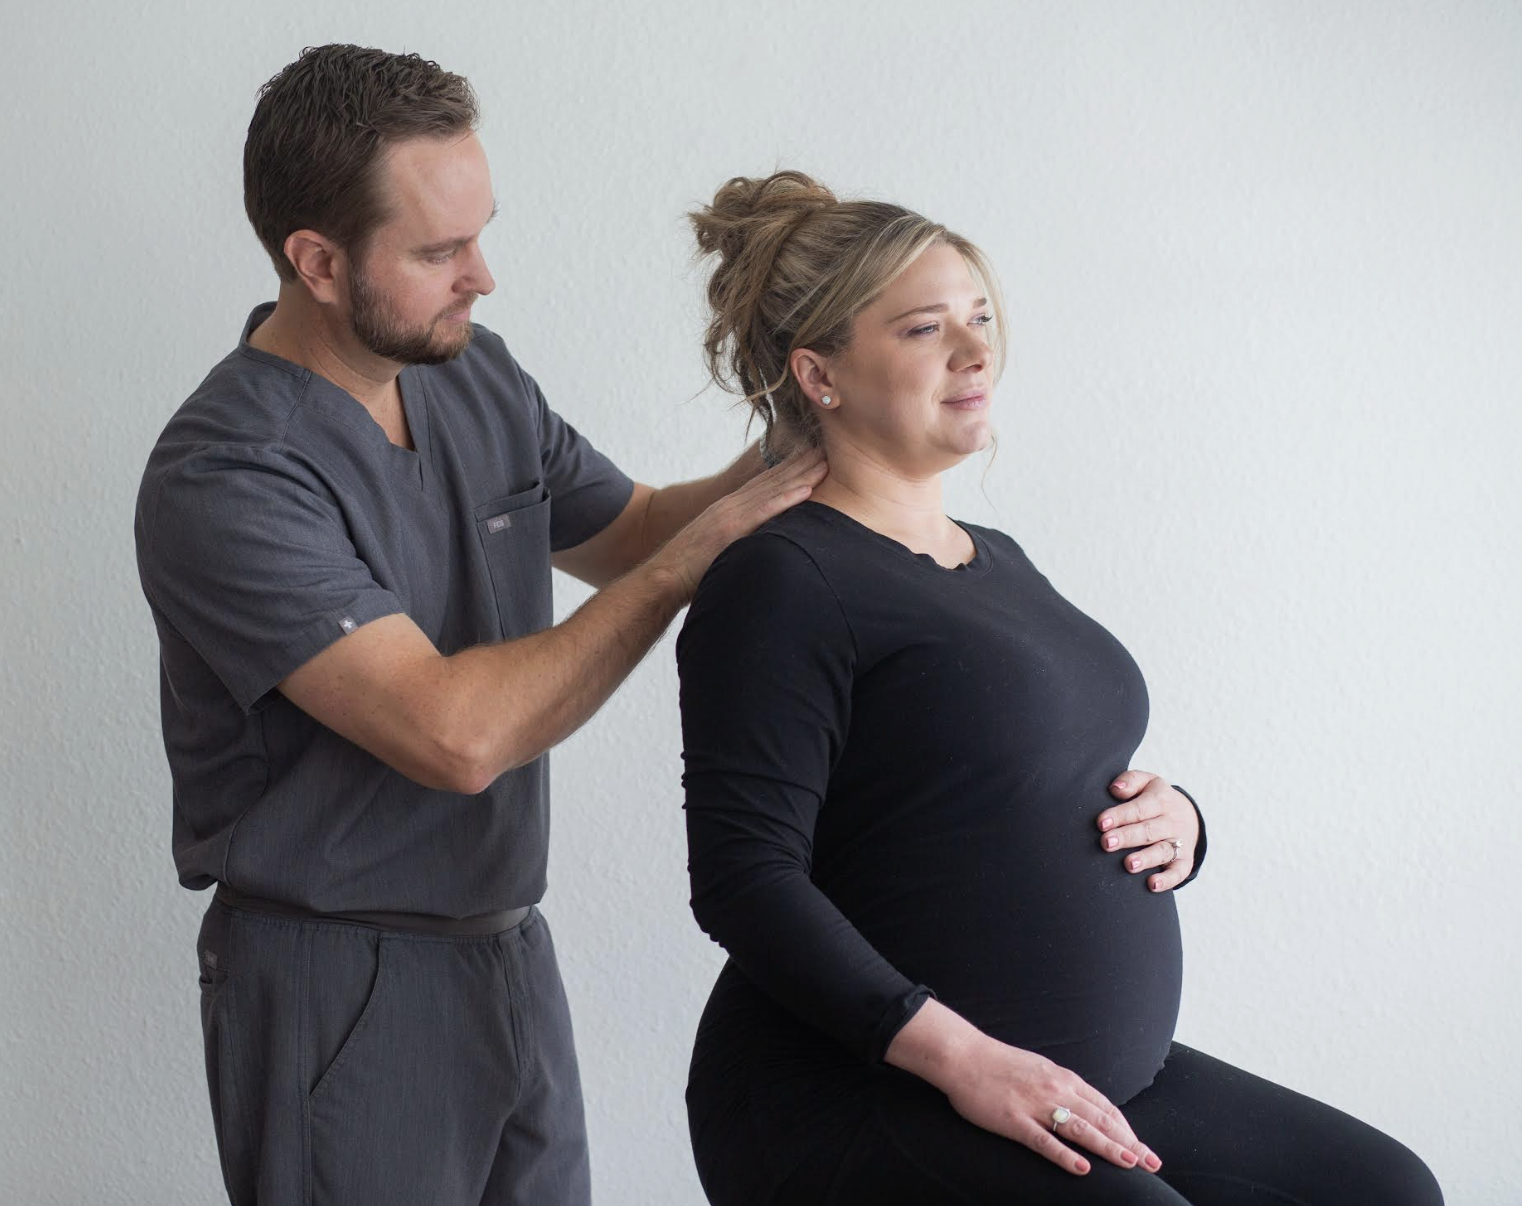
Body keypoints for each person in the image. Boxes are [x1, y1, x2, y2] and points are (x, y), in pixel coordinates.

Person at [133, 46, 824, 1206]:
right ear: (316, 260)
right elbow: (452, 737)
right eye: (440, 251)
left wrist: (801, 432)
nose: (483, 277)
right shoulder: (228, 472)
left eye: (480, 232)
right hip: (336, 981)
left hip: (506, 948)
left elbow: (639, 527)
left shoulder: (471, 373)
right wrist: (683, 567)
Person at [675, 171, 1442, 1205]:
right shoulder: (784, 578)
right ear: (820, 375)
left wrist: (1182, 823)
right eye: (923, 330)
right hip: (861, 1091)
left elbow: (1023, 778)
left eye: (980, 318)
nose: (976, 351)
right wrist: (966, 1060)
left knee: (1380, 1190)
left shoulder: (997, 559)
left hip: (1086, 1077)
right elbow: (744, 880)